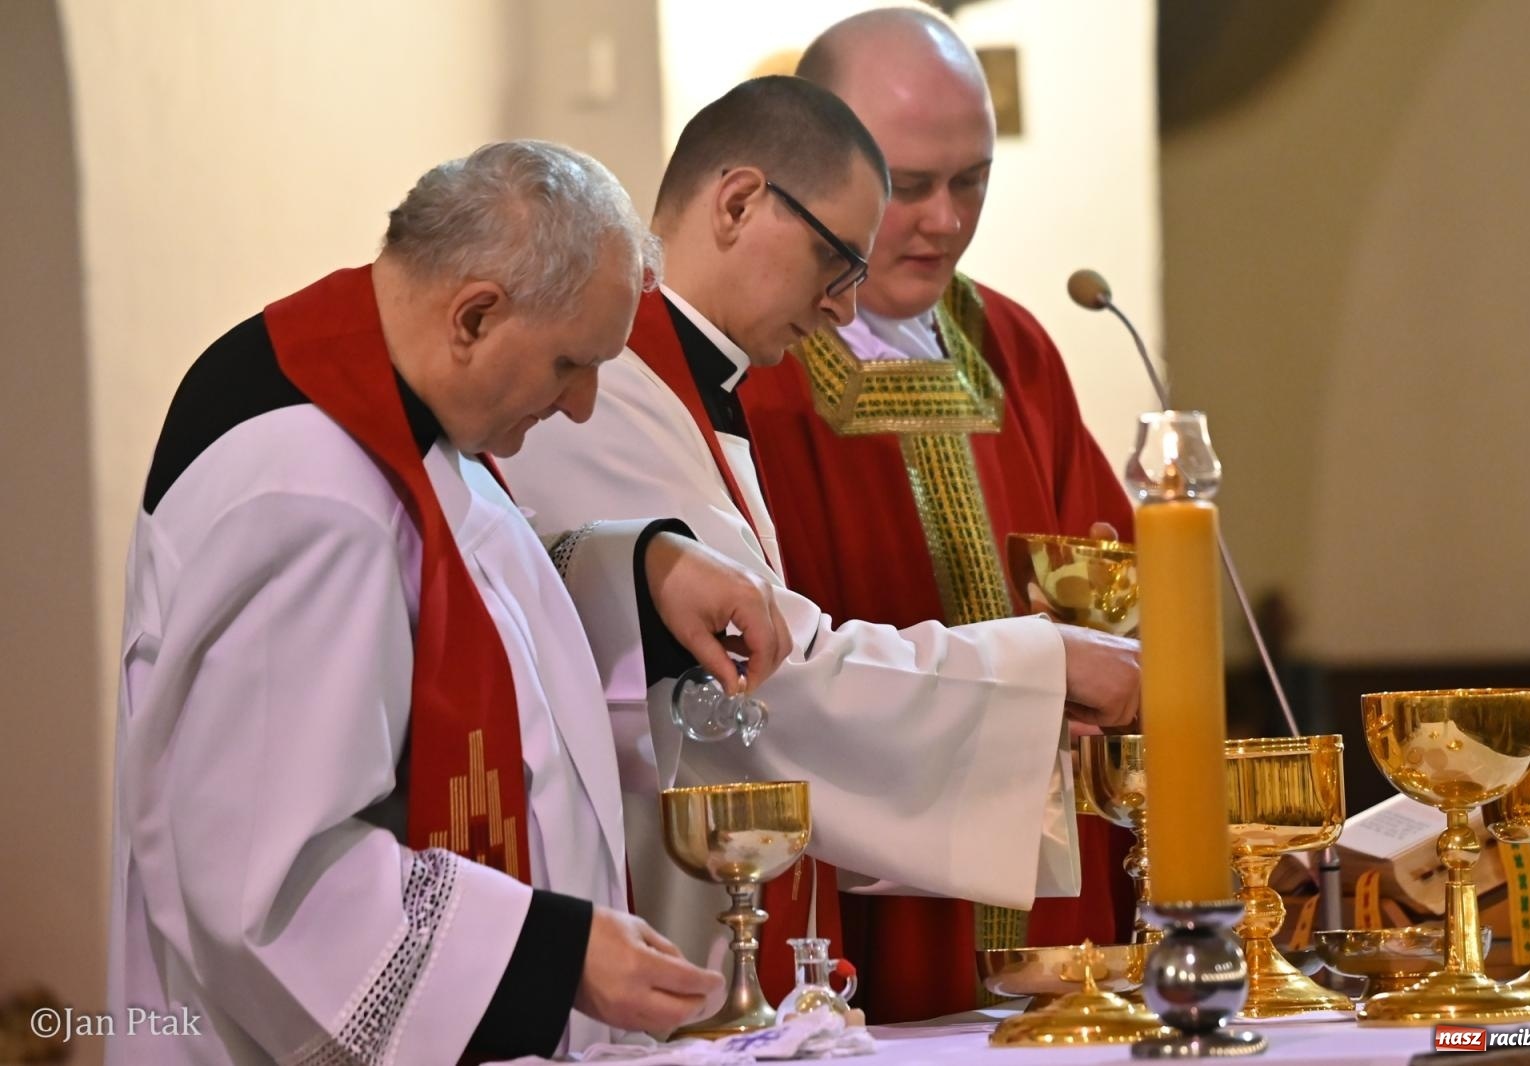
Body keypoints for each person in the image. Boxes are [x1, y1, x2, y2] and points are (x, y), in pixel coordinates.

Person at [107, 140, 794, 1065]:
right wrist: (550, 954)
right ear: (474, 315)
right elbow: (265, 886)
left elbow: (450, 620)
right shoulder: (306, 488)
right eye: (568, 364)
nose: (582, 405)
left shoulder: (388, 399)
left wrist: (640, 572)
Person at [500, 76, 1139, 1017]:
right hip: (645, 919)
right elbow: (773, 679)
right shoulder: (609, 393)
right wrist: (1045, 666)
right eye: (840, 263)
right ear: (739, 202)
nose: (844, 310)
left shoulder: (687, 384)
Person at [733, 8, 1141, 1020]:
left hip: (1054, 884)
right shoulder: (756, 370)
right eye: (910, 186)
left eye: (973, 182)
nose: (946, 220)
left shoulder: (1011, 344)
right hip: (864, 867)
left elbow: (1115, 580)